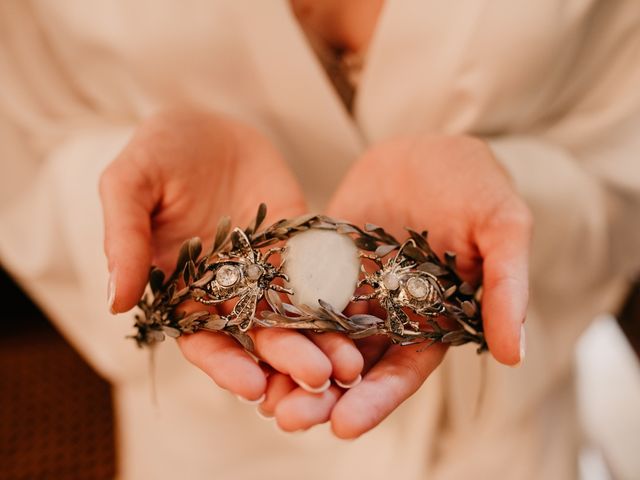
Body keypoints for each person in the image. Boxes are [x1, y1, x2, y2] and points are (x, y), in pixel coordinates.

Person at [1, 1, 639, 478]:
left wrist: (511, 196)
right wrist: (130, 204)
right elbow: (17, 144)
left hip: (501, 436)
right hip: (209, 436)